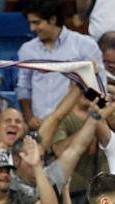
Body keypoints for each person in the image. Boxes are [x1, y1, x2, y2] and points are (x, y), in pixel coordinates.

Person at [17, 0, 104, 129]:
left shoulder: (85, 45)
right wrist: (29, 117)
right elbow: (24, 88)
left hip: (74, 125)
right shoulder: (27, 49)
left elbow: (100, 88)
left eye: (36, 23)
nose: (32, 28)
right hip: (40, 125)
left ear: (52, 20)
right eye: (30, 23)